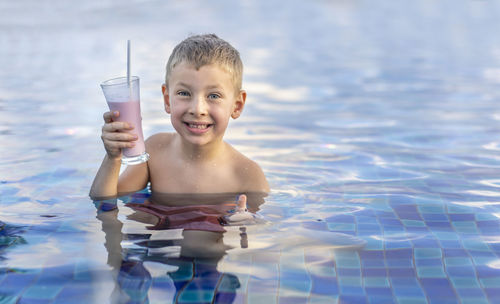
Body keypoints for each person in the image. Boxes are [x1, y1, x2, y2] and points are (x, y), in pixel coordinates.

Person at [90, 34, 269, 201]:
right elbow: (106, 202)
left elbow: (265, 227)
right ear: (167, 100)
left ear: (237, 105)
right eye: (184, 93)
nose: (198, 109)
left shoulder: (248, 175)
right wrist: (113, 158)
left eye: (213, 96)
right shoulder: (155, 151)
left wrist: (245, 222)